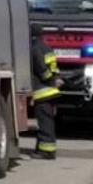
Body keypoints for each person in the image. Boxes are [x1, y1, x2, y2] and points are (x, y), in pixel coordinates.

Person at [29, 26, 60, 159]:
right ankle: (44, 148)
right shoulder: (48, 48)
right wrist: (55, 80)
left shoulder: (35, 49)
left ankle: (46, 151)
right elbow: (54, 68)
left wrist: (50, 80)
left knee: (44, 123)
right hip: (51, 91)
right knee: (48, 121)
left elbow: (42, 70)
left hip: (43, 91)